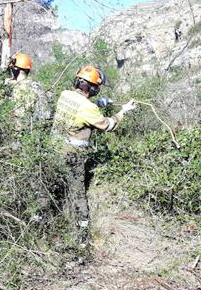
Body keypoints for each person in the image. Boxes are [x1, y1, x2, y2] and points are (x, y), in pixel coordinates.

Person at [52, 65, 137, 243]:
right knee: (78, 194)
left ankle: (42, 222)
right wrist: (123, 112)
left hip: (53, 150)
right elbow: (108, 125)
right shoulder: (89, 109)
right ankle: (82, 236)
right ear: (92, 88)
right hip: (72, 155)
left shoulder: (64, 95)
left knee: (50, 188)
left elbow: (79, 107)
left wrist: (100, 103)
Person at [4, 53, 51, 130]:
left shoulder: (17, 89)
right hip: (33, 131)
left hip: (18, 132)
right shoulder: (37, 87)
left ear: (15, 70)